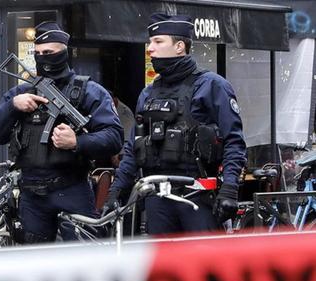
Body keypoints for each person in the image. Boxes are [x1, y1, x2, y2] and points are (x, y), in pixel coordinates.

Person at [106, 13, 247, 235]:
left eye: (158, 41)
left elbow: (234, 142)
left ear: (179, 46)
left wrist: (229, 189)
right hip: (157, 198)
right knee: (163, 267)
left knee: (203, 265)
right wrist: (115, 191)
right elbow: (133, 148)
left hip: (197, 196)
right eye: (150, 42)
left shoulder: (211, 86)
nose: (150, 48)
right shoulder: (148, 93)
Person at [0, 21, 124, 244]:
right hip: (31, 195)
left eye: (49, 52)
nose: (43, 58)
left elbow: (115, 138)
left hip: (71, 188)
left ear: (63, 52)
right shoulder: (20, 93)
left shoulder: (89, 91)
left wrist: (77, 142)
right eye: (38, 53)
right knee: (35, 265)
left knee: (83, 260)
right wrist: (12, 107)